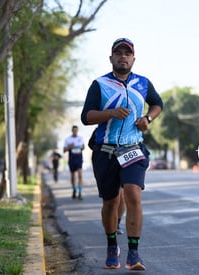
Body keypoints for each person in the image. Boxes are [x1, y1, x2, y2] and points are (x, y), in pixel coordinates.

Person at [81, 37, 163, 270]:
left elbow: (157, 104)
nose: (123, 57)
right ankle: (111, 247)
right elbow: (86, 117)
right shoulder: (100, 84)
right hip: (105, 150)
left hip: (133, 147)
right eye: (118, 53)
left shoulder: (143, 83)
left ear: (133, 58)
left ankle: (134, 254)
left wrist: (148, 118)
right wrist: (110, 113)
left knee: (133, 194)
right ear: (111, 58)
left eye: (127, 53)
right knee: (110, 201)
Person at [63, 125, 85, 199]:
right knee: (73, 176)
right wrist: (70, 146)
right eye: (74, 130)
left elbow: (83, 147)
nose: (75, 132)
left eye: (76, 130)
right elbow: (64, 150)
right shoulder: (68, 139)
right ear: (72, 131)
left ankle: (80, 192)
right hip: (72, 158)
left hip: (79, 157)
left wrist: (81, 147)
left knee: (80, 175)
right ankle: (74, 189)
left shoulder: (80, 138)